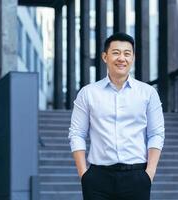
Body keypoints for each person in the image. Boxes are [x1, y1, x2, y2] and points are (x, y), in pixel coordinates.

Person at [68, 32, 165, 200]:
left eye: (127, 53)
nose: (122, 58)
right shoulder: (88, 93)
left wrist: (149, 173)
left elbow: (156, 134)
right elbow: (76, 133)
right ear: (105, 57)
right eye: (116, 52)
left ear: (133, 58)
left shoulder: (148, 93)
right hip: (97, 178)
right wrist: (84, 174)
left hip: (136, 177)